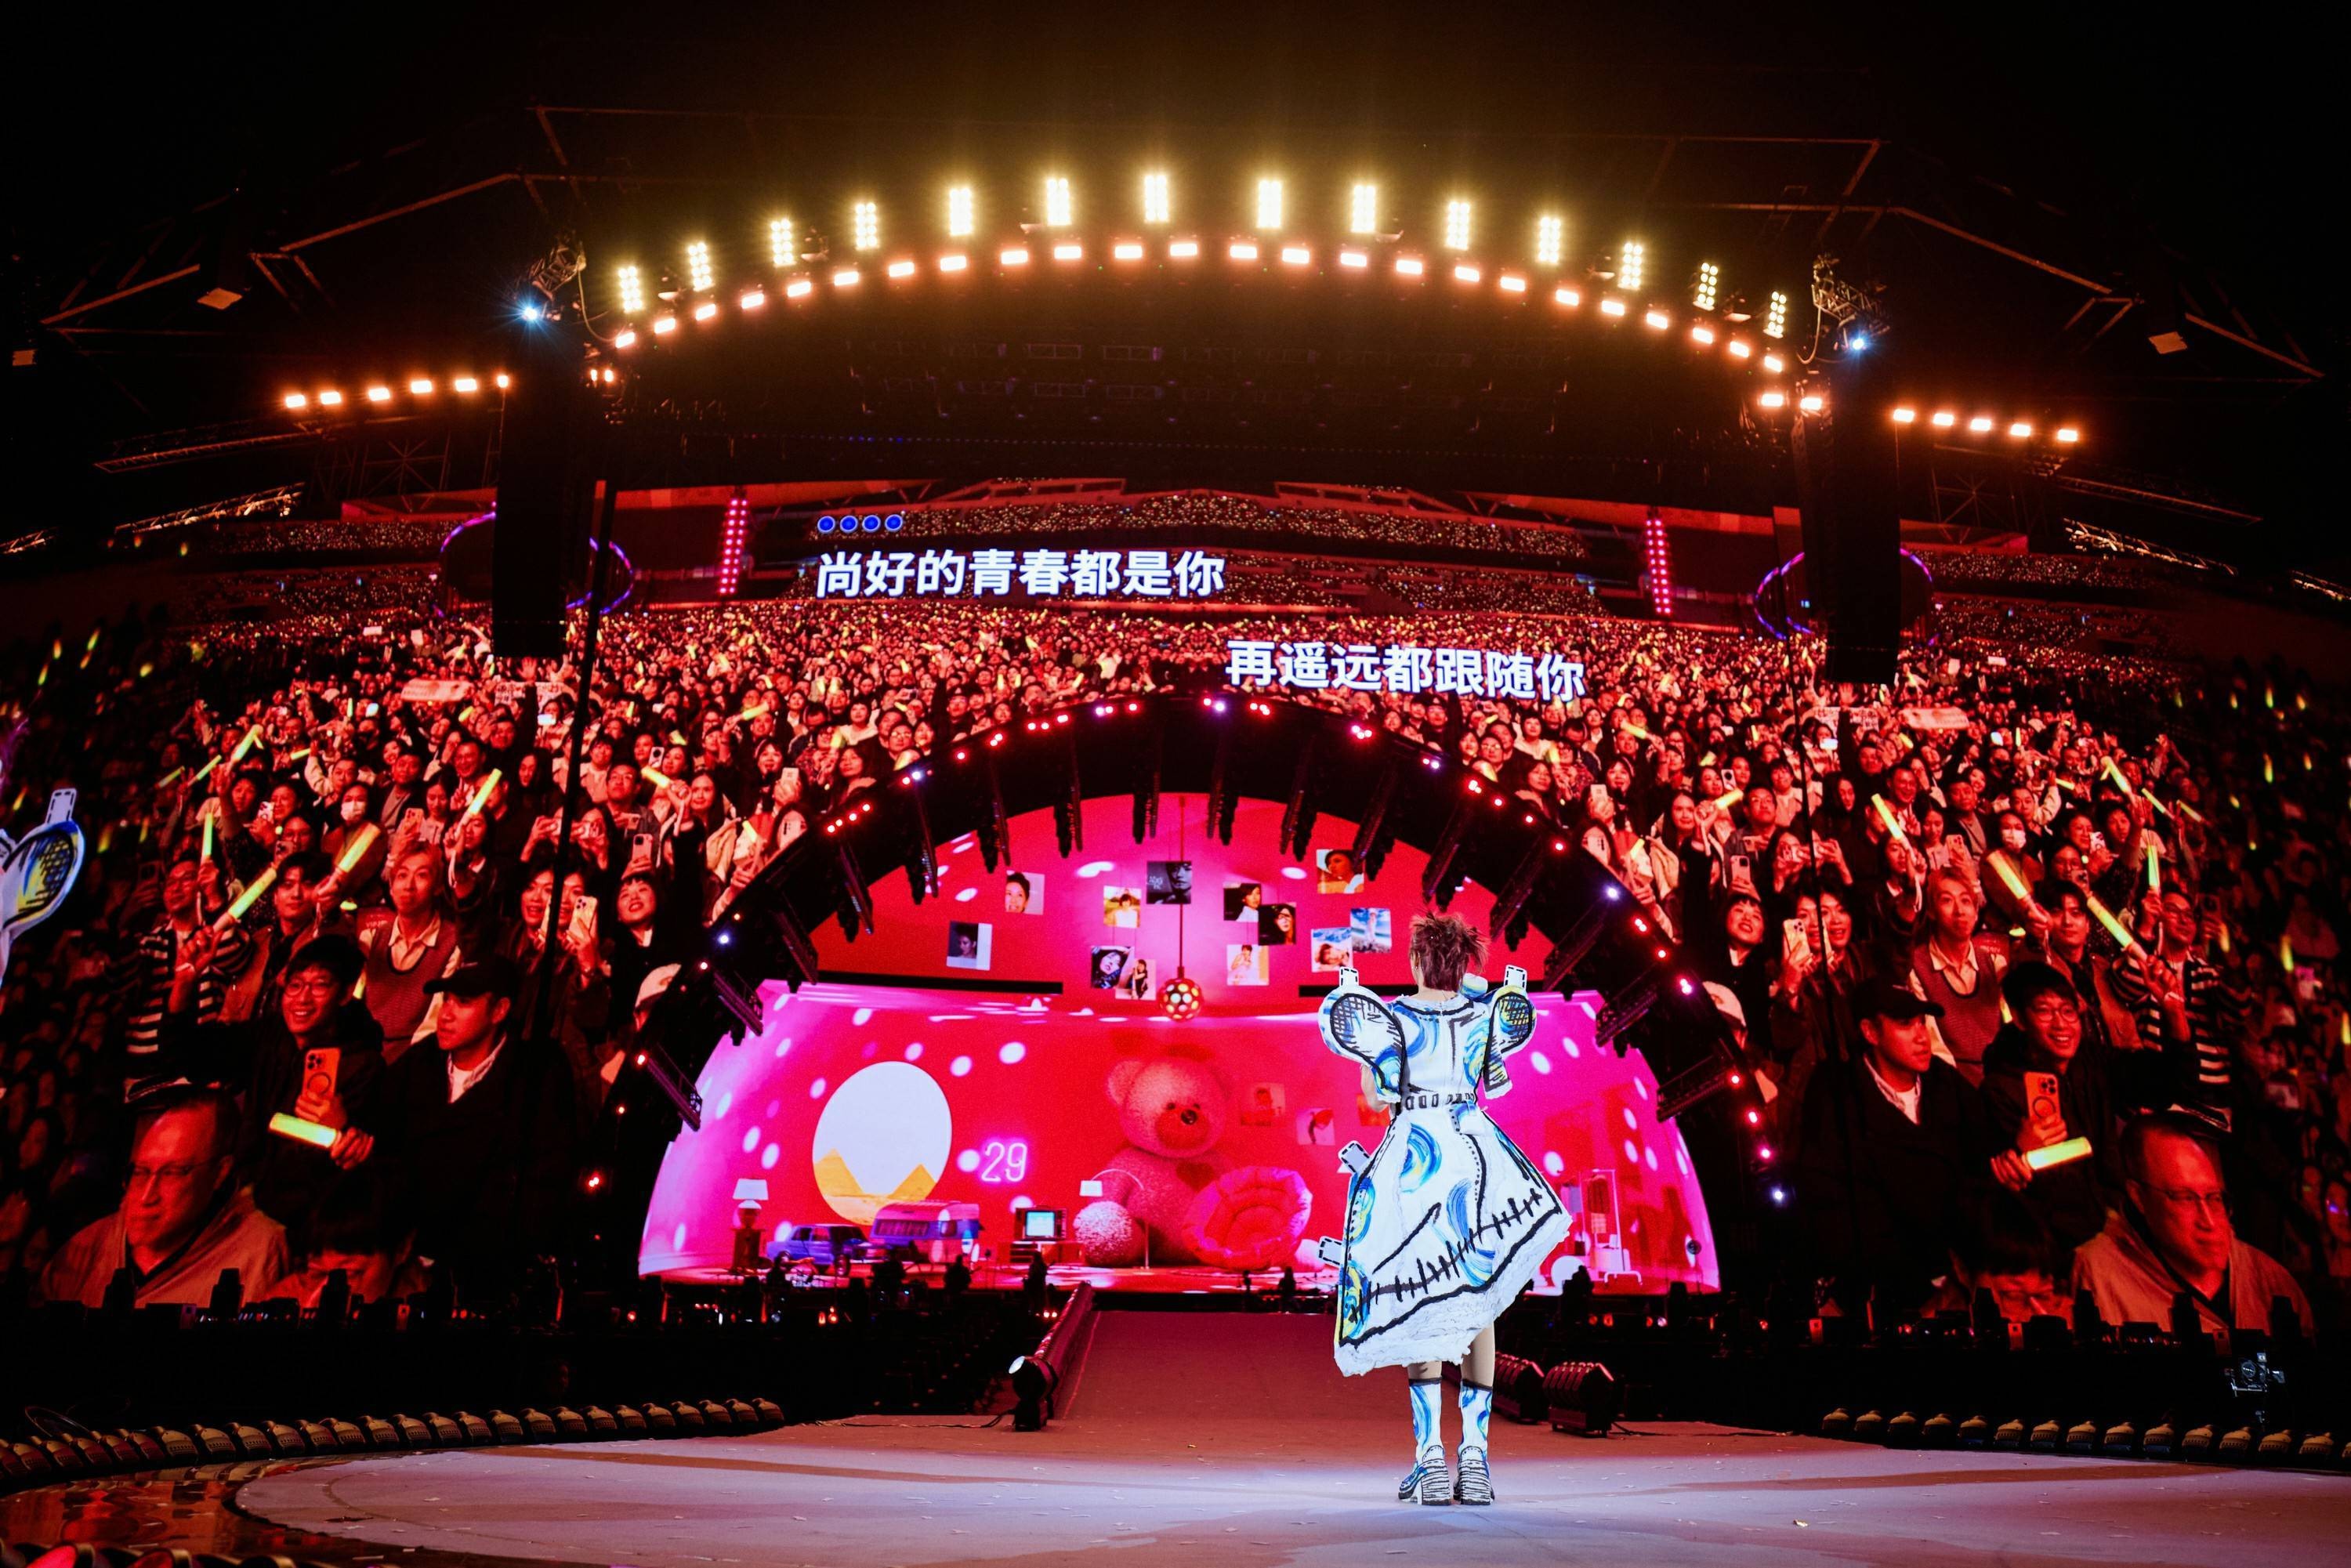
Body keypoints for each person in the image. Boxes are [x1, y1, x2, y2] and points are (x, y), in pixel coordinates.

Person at [1314, 913, 1569, 1507]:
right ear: (1463, 961)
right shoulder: (1484, 1013)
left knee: (1422, 1301)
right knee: (1478, 1300)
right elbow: (1494, 1075)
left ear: (1414, 960)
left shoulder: (1393, 1017)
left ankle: (1431, 1458)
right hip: (1475, 1154)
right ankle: (1474, 1460)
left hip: (1418, 1159)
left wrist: (1371, 1055)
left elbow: (1377, 1096)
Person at [1795, 976, 2030, 1312]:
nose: (1922, 1036)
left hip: (1962, 1271)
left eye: (1922, 1022)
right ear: (1870, 1032)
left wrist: (2011, 1159)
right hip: (1884, 1290)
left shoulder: (1945, 1082)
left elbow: (1983, 1156)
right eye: (1906, 1024)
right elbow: (1831, 1202)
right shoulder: (1837, 1095)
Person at [361, 956, 578, 1306]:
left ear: (499, 1010)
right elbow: (380, 1134)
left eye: (463, 1003)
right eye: (445, 1000)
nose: (445, 1014)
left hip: (484, 1271)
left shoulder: (537, 1074)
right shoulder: (421, 1061)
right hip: (406, 1251)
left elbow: (545, 1178)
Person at [38, 1088, 289, 1309]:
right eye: (140, 1172)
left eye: (172, 1173)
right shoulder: (86, 1250)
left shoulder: (257, 1254)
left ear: (220, 1173)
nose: (147, 1196)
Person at [2070, 1114, 2313, 1345]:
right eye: (2185, 1198)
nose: (2208, 1221)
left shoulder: (2272, 1283)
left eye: (2215, 1198)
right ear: (2139, 1197)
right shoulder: (2100, 1277)